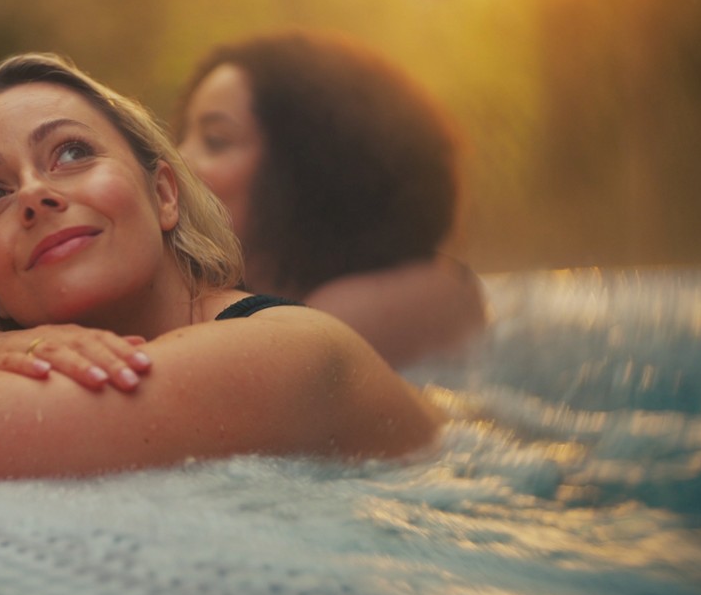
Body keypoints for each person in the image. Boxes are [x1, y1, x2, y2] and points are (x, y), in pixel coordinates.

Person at [0, 53, 441, 485]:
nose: (36, 194)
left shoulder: (284, 349)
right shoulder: (49, 354)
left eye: (70, 152)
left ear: (162, 195)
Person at [176, 30, 486, 368]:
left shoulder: (358, 309)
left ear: (305, 165)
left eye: (215, 140)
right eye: (182, 137)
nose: (177, 160)